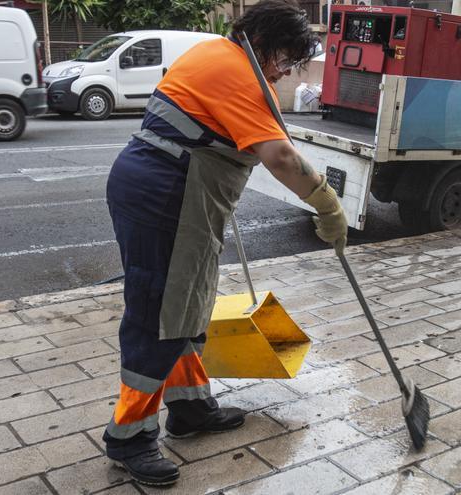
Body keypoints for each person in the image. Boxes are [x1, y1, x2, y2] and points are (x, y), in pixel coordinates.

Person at [102, 0, 348, 486]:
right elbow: (278, 154)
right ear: (262, 43)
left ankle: (191, 409)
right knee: (160, 316)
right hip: (167, 196)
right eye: (284, 58)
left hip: (178, 192)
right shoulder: (239, 73)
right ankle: (129, 438)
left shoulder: (214, 51)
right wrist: (328, 205)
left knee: (188, 307)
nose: (284, 72)